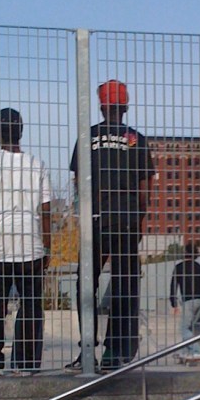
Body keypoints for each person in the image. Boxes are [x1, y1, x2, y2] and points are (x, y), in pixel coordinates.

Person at [67, 80, 155, 372]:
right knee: (124, 285)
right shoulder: (136, 139)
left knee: (86, 285)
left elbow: (79, 182)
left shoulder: (87, 136)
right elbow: (144, 187)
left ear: (102, 106)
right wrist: (141, 219)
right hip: (127, 219)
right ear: (125, 106)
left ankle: (87, 350)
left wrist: (83, 214)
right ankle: (116, 351)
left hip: (96, 219)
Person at [0, 108, 51, 374]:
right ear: (21, 130)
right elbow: (46, 208)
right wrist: (46, 244)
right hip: (30, 245)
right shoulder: (36, 164)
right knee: (30, 306)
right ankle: (26, 364)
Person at [169, 240, 200, 362]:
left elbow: (173, 286)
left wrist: (174, 304)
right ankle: (186, 352)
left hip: (189, 301)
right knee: (190, 327)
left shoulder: (179, 268)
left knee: (184, 328)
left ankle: (196, 351)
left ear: (185, 254)